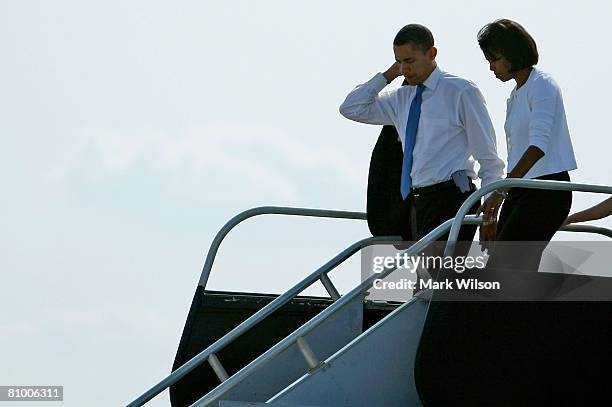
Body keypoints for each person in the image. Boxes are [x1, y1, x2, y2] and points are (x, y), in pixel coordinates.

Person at [340, 24, 504, 247]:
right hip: (418, 200)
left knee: (440, 276)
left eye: (410, 61)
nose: (405, 69)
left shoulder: (461, 91)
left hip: (452, 195)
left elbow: (488, 156)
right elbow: (351, 107)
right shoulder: (400, 98)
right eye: (399, 62)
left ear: (432, 54)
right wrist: (388, 75)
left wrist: (489, 206)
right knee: (426, 278)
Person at [476, 19, 578, 271]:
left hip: (547, 189)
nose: (491, 67)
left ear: (511, 55)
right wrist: (496, 200)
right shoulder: (517, 93)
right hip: (522, 188)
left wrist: (501, 192)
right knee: (499, 265)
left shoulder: (541, 84)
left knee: (507, 269)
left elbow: (538, 146)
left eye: (495, 59)